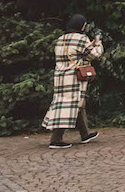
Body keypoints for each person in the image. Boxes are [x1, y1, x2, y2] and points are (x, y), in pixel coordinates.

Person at [42, 14, 103, 149]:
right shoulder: (81, 38)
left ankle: (85, 134)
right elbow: (94, 54)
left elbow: (72, 53)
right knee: (68, 106)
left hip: (60, 77)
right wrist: (98, 44)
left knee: (74, 104)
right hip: (74, 78)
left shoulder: (61, 39)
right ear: (81, 26)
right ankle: (56, 139)